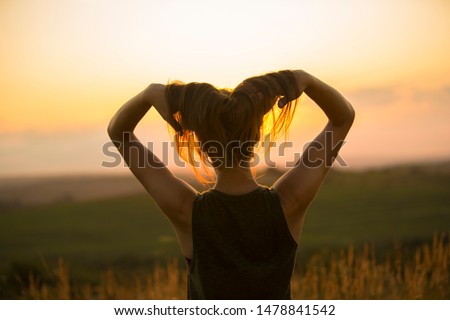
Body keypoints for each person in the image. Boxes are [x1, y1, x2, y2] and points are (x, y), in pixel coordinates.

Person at [107, 69, 355, 299]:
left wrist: (149, 94)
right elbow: (342, 118)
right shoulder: (289, 203)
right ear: (257, 135)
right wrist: (304, 78)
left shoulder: (188, 212)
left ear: (203, 146)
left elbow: (119, 133)